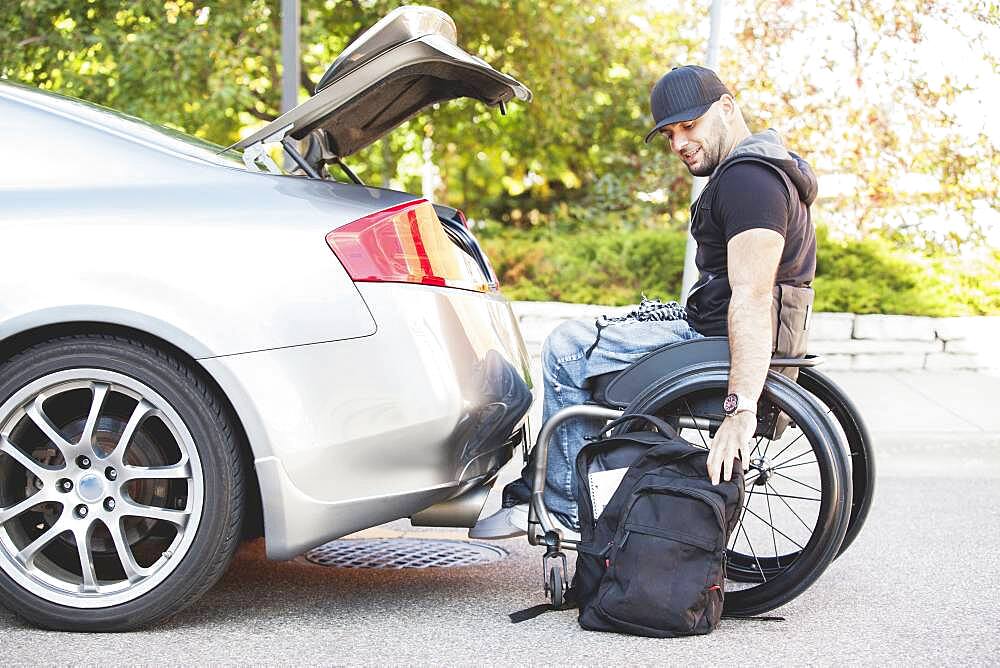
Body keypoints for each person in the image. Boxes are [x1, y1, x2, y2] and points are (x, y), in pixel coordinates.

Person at [471, 65, 817, 539]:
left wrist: (740, 412)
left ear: (728, 108)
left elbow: (753, 297)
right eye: (670, 134)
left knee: (568, 348)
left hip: (717, 343)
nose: (679, 144)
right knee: (602, 333)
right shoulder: (768, 170)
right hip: (718, 327)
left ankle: (564, 508)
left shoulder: (748, 182)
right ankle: (575, 479)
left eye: (689, 126)